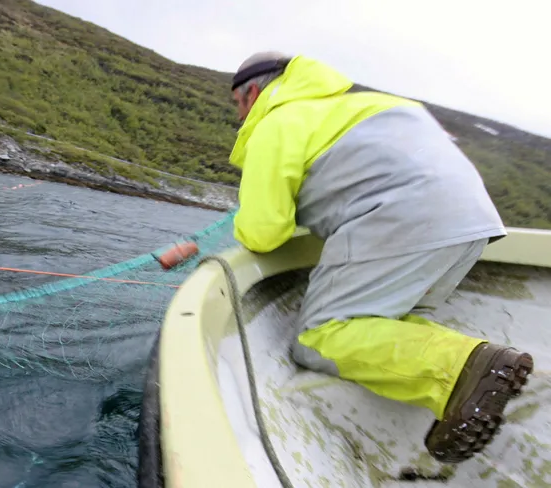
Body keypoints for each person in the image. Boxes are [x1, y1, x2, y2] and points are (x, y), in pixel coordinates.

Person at [227, 51, 534, 463]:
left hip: (404, 219)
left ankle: (462, 366)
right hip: (471, 223)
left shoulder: (278, 121)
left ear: (251, 92)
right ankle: (459, 390)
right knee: (379, 325)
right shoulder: (373, 105)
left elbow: (265, 234)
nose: (240, 116)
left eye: (237, 106)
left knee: (320, 336)